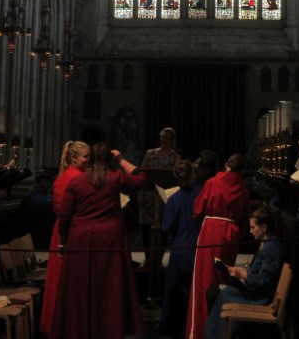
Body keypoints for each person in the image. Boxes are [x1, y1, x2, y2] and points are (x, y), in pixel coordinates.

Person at [52, 142, 147, 339]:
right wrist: (121, 160)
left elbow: (65, 216)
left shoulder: (76, 183)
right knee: (109, 287)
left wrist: (62, 242)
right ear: (108, 160)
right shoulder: (114, 178)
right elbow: (142, 178)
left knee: (80, 287)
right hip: (109, 240)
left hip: (80, 240)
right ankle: (110, 328)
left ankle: (78, 329)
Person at [186, 153, 250, 339]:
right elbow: (244, 216)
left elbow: (198, 209)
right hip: (231, 232)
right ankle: (219, 328)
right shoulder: (242, 188)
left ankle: (200, 329)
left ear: (226, 165)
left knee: (205, 278)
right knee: (223, 277)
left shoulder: (213, 182)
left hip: (212, 229)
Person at [204, 205, 284, 339]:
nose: (251, 231)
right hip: (255, 291)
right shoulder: (265, 242)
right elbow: (258, 270)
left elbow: (265, 279)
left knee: (225, 295)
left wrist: (242, 275)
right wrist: (241, 271)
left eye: (253, 227)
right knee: (224, 292)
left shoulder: (272, 246)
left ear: (264, 228)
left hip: (260, 297)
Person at [39, 140, 90, 339]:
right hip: (65, 233)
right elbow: (61, 209)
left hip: (74, 231)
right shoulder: (68, 178)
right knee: (62, 281)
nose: (88, 161)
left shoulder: (78, 176)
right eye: (85, 157)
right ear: (73, 158)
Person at [159, 159, 201, 339]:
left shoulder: (174, 199)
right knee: (192, 295)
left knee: (174, 295)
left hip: (179, 250)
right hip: (198, 249)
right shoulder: (201, 194)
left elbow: (167, 226)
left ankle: (173, 331)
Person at [138, 126, 182, 262]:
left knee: (163, 226)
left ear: (172, 140)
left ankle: (158, 258)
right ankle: (147, 257)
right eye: (162, 137)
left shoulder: (175, 157)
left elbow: (179, 177)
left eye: (167, 138)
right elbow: (142, 173)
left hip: (165, 197)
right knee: (146, 226)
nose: (163, 140)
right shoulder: (150, 153)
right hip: (149, 195)